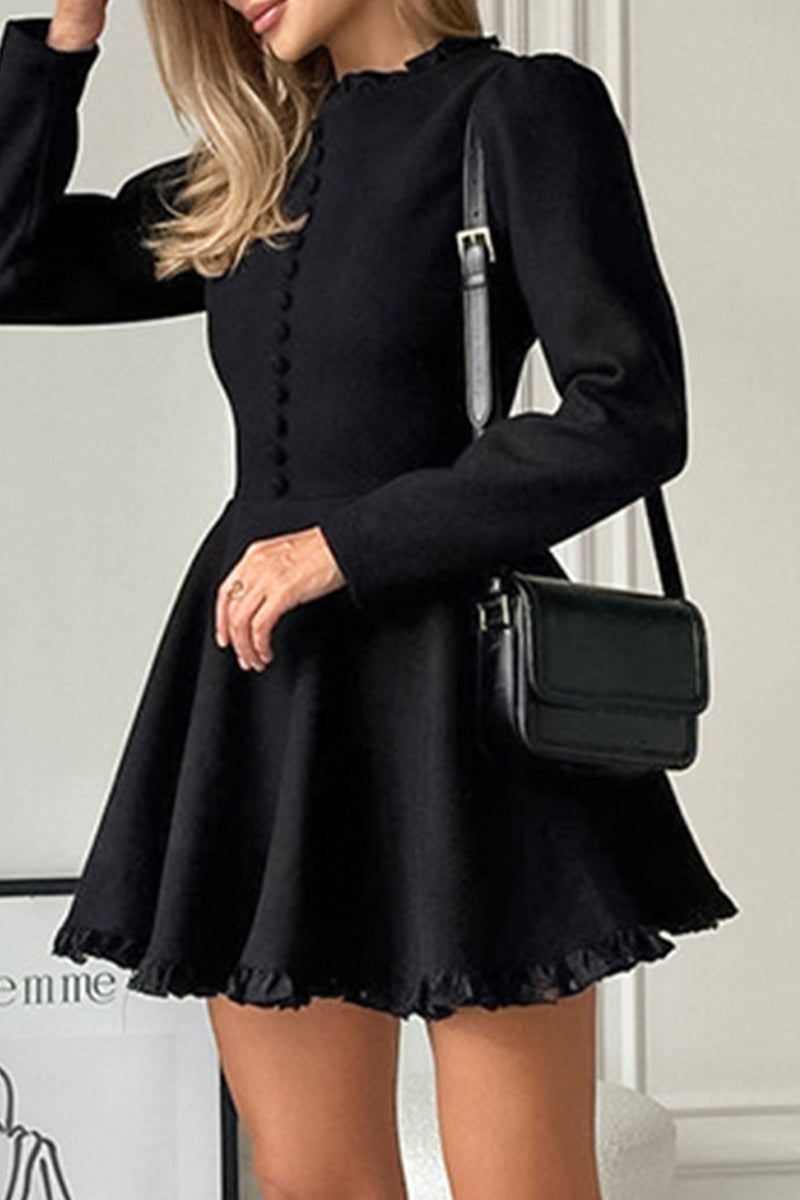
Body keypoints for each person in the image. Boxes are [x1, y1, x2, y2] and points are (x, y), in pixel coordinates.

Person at [0, 0, 739, 1196]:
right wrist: (65, 36)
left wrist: (344, 545)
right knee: (310, 1181)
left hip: (457, 697)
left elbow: (629, 411)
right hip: (263, 691)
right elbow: (9, 263)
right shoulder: (251, 165)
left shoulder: (519, 111)